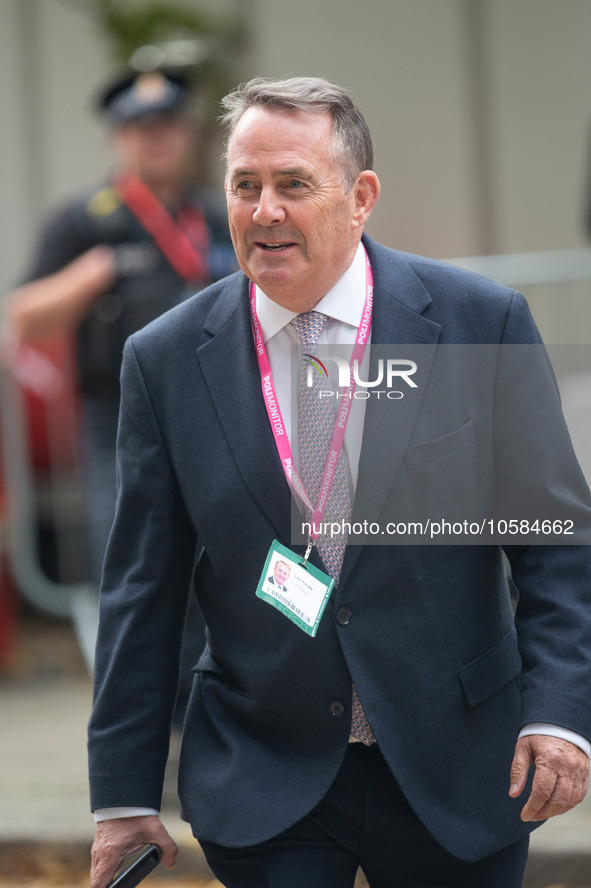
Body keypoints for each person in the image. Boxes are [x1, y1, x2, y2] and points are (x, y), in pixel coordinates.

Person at [88, 77, 591, 888]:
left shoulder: (478, 323)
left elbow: (554, 545)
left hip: (458, 766)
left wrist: (560, 713)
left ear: (360, 198)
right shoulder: (167, 357)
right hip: (266, 766)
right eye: (245, 186)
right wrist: (120, 794)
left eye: (293, 184)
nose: (263, 211)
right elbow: (140, 591)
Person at [4, 67, 237, 583]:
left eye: (169, 125)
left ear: (190, 132)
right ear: (118, 137)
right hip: (118, 419)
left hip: (218, 409)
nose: (158, 139)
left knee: (221, 553)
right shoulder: (85, 219)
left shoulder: (222, 212)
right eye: (142, 128)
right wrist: (89, 276)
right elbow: (24, 315)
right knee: (130, 559)